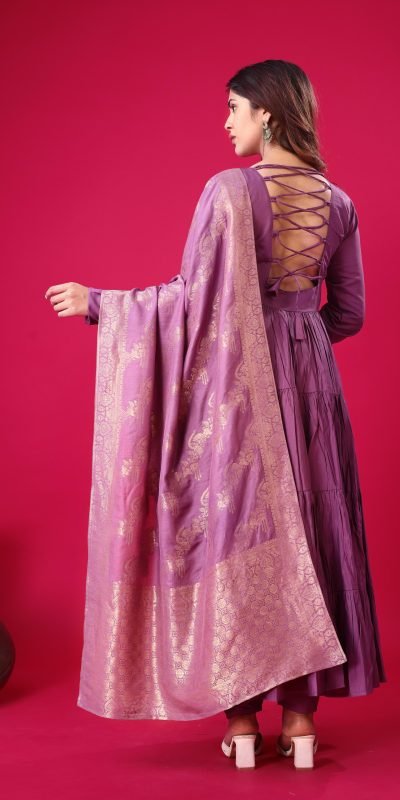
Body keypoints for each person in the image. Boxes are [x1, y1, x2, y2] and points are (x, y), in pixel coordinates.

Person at [44, 59, 386, 771]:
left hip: (239, 387)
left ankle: (241, 724)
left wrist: (102, 303)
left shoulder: (229, 191)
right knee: (311, 533)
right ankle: (301, 724)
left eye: (234, 107)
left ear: (268, 113)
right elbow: (348, 312)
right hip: (314, 388)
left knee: (237, 530)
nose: (227, 122)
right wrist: (300, 346)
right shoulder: (340, 202)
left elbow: (194, 298)